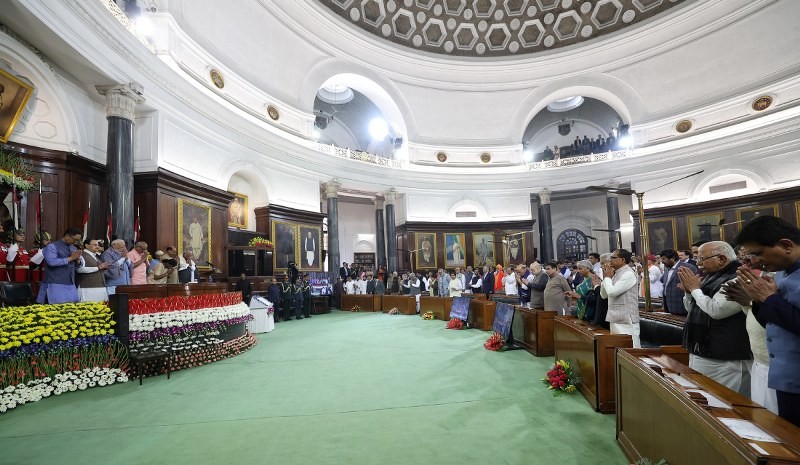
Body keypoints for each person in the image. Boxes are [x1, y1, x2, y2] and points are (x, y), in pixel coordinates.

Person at [734, 216, 800, 426]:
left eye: (759, 253)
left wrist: (768, 299)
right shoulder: (780, 274)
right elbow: (775, 324)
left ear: (786, 245)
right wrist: (760, 301)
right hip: (786, 377)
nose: (755, 260)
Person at [678, 241, 751, 396]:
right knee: (702, 398)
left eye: (702, 259)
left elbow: (717, 310)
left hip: (724, 356)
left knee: (722, 402)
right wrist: (688, 292)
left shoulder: (737, 279)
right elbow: (691, 309)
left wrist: (695, 290)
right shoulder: (709, 278)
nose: (698, 263)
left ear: (721, 259)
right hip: (703, 349)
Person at [601, 249, 641, 347]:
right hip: (615, 317)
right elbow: (604, 295)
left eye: (613, 258)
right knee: (618, 349)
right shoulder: (616, 273)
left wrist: (607, 278)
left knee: (630, 350)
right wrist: (605, 276)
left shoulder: (628, 274)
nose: (610, 260)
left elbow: (612, 292)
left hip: (626, 320)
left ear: (622, 260)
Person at [39, 228, 83, 304]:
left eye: (78, 240)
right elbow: (51, 262)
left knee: (71, 309)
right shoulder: (52, 246)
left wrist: (78, 260)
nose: (76, 242)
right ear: (67, 235)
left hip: (71, 282)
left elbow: (76, 266)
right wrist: (71, 258)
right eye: (74, 239)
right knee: (57, 309)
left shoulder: (73, 247)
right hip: (55, 283)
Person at [659, 249, 696, 315]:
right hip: (668, 304)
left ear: (672, 258)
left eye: (664, 259)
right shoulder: (667, 268)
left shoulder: (687, 267)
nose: (662, 261)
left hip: (681, 305)